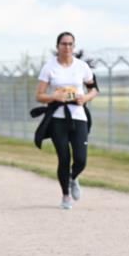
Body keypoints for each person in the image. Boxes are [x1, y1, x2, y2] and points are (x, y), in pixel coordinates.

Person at [35, 32, 98, 209]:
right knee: (64, 158)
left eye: (70, 44)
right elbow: (39, 96)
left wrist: (85, 98)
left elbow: (94, 89)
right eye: (64, 44)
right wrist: (53, 97)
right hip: (58, 118)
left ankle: (72, 178)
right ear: (58, 46)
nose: (67, 47)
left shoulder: (82, 66)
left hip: (78, 116)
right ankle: (66, 196)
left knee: (81, 159)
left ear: (74, 46)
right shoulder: (49, 67)